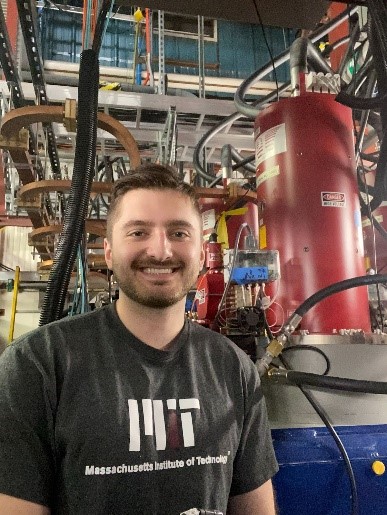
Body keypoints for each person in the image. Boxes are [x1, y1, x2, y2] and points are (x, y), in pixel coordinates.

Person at [0, 163, 278, 515]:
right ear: (110, 251)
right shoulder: (38, 365)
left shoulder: (233, 369)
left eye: (179, 233)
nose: (161, 251)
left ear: (201, 252)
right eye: (138, 233)